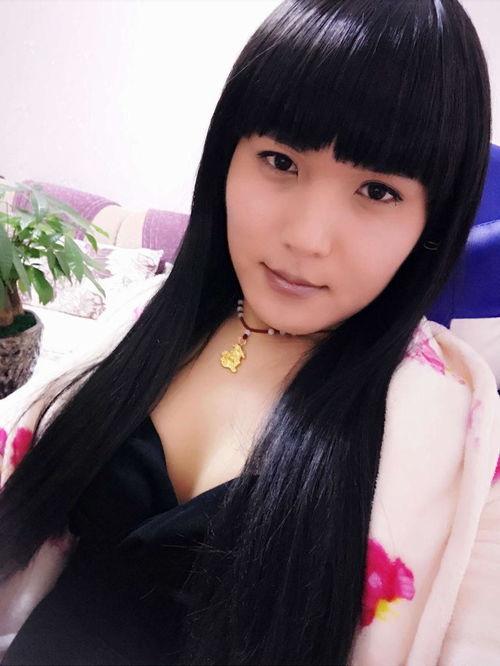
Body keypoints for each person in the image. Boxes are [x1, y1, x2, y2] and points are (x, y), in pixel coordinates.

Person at [1, 0, 499, 664]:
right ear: (227, 158)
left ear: (433, 220)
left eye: (378, 191)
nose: (307, 238)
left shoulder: (454, 437)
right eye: (281, 161)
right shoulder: (149, 317)